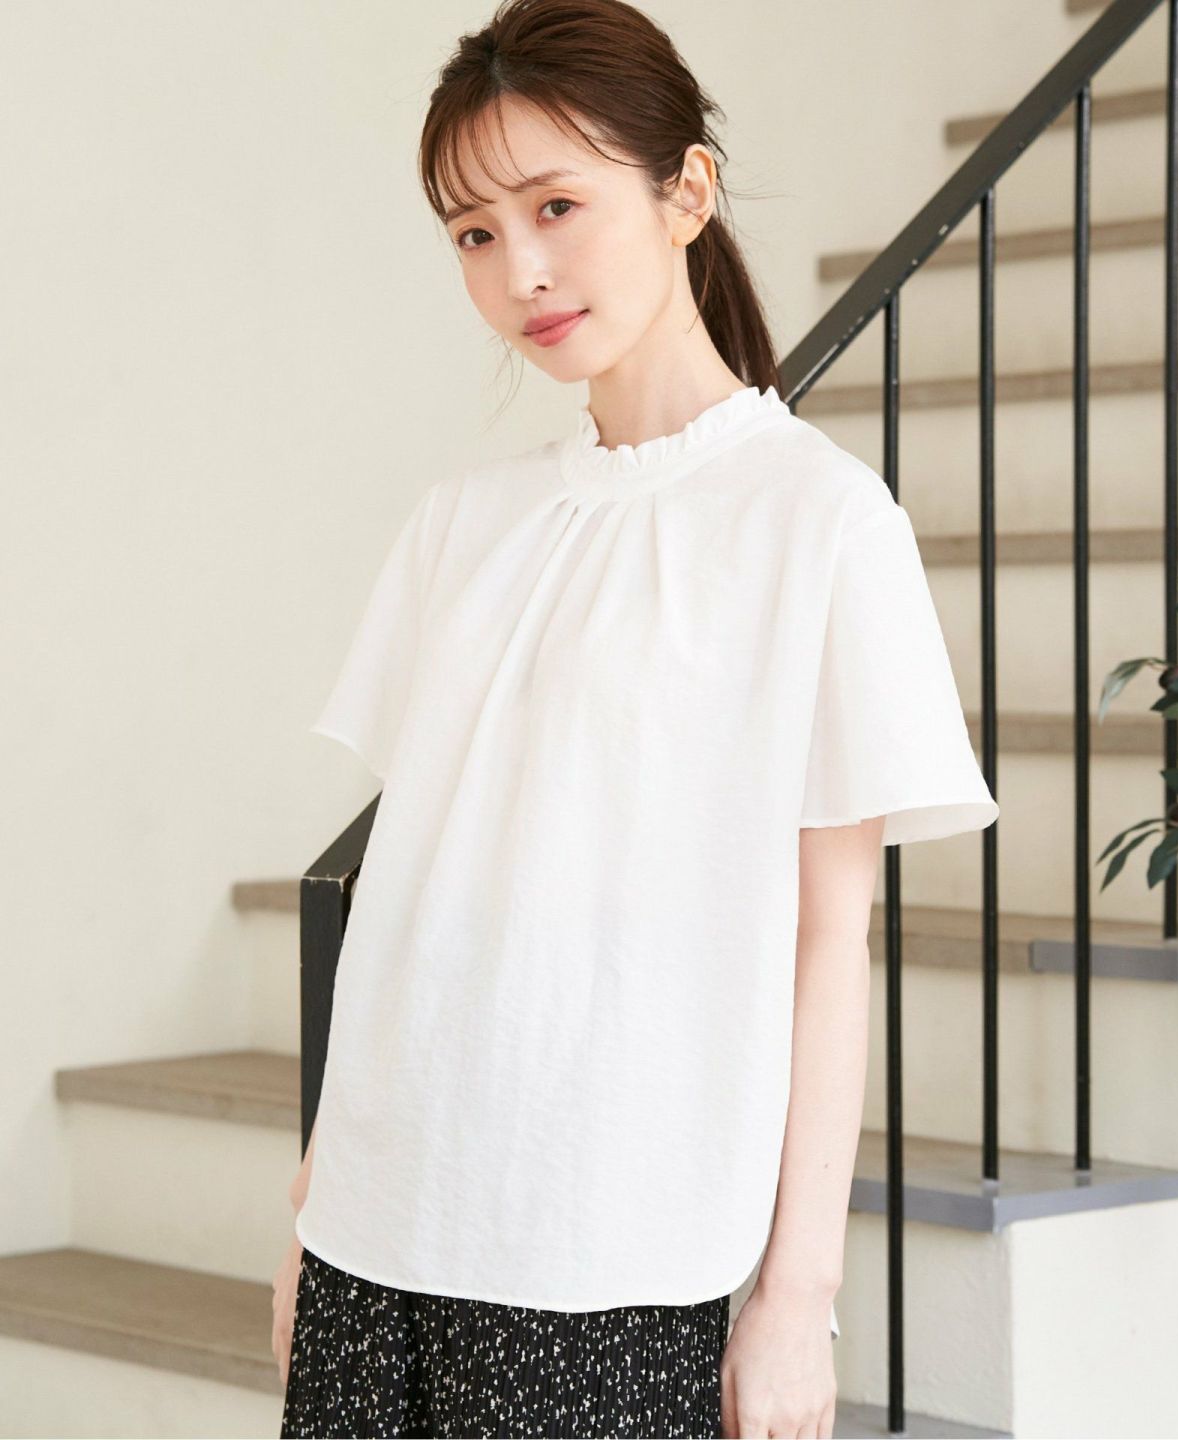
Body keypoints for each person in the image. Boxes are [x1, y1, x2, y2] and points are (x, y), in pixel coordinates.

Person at [271, 1, 1000, 1436]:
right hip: (375, 1227)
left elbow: (828, 941)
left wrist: (796, 1298)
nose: (520, 271)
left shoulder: (819, 524)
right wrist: (311, 1208)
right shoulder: (463, 526)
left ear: (687, 191)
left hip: (611, 1256)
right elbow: (417, 911)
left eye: (556, 206)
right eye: (474, 233)